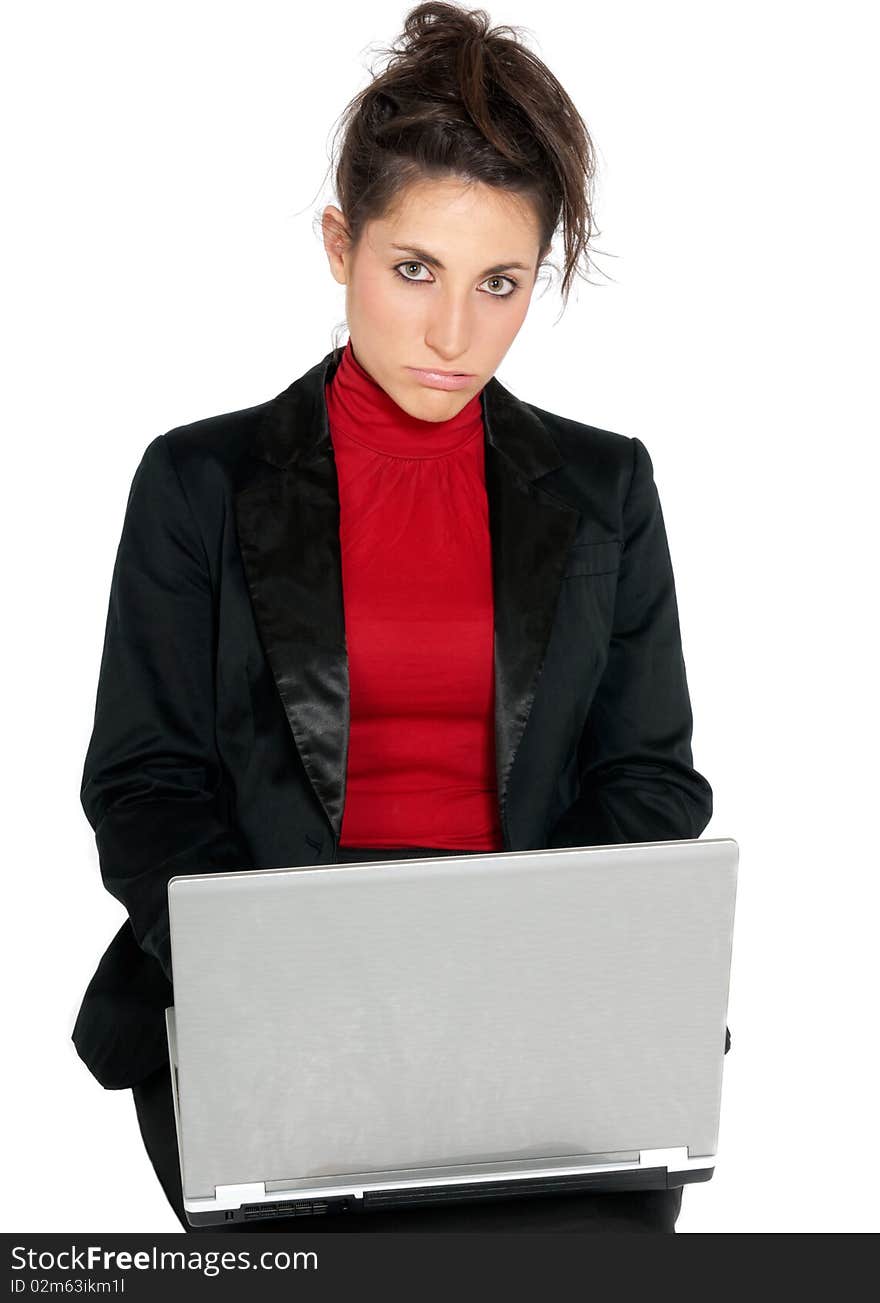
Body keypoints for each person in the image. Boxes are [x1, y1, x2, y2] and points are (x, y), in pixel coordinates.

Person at [72, 1, 718, 1235]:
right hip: (272, 1007)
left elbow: (648, 777)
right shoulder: (198, 483)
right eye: (412, 268)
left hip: (535, 1002)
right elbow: (145, 784)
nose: (450, 333)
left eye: (500, 285)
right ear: (339, 243)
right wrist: (287, 976)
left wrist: (514, 970)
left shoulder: (603, 490)